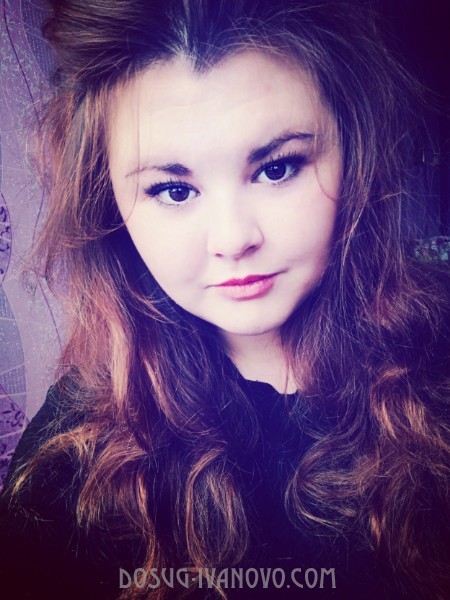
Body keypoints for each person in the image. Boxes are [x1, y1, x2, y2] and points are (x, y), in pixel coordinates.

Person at [0, 1, 449, 598]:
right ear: (110, 203)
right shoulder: (70, 461)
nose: (234, 240)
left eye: (277, 168)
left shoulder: (438, 356)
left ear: (354, 155)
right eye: (173, 190)